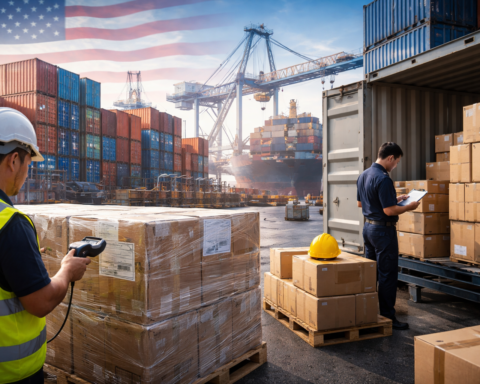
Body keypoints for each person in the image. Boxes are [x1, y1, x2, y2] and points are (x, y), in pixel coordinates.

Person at [0, 108, 91, 384]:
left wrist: (20, 263)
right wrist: (66, 271)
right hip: (12, 376)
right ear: (14, 160)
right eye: (29, 163)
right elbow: (40, 302)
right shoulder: (10, 223)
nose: (28, 172)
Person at [356, 142, 420, 330]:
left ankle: (368, 311)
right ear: (390, 157)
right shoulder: (384, 179)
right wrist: (409, 206)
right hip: (383, 232)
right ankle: (387, 316)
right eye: (397, 162)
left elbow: (361, 204)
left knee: (371, 272)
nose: (396, 166)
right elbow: (389, 210)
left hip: (368, 230)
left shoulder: (364, 175)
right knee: (387, 274)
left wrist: (396, 199)